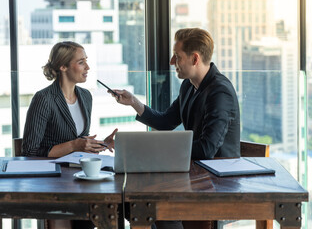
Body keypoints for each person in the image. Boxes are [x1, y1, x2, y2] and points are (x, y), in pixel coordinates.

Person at [110, 28, 240, 229]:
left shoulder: (220, 92)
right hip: (193, 173)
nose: (172, 62)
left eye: (177, 57)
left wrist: (155, 151)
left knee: (150, 206)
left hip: (215, 181)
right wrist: (134, 102)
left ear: (195, 58)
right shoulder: (189, 86)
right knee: (131, 202)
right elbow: (166, 122)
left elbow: (207, 149)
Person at [22, 41, 117, 229]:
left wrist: (102, 144)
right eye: (81, 62)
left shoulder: (85, 96)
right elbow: (30, 150)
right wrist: (74, 146)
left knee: (110, 207)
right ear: (63, 66)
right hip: (54, 181)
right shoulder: (44, 99)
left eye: (86, 61)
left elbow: (80, 140)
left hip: (81, 174)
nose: (88, 67)